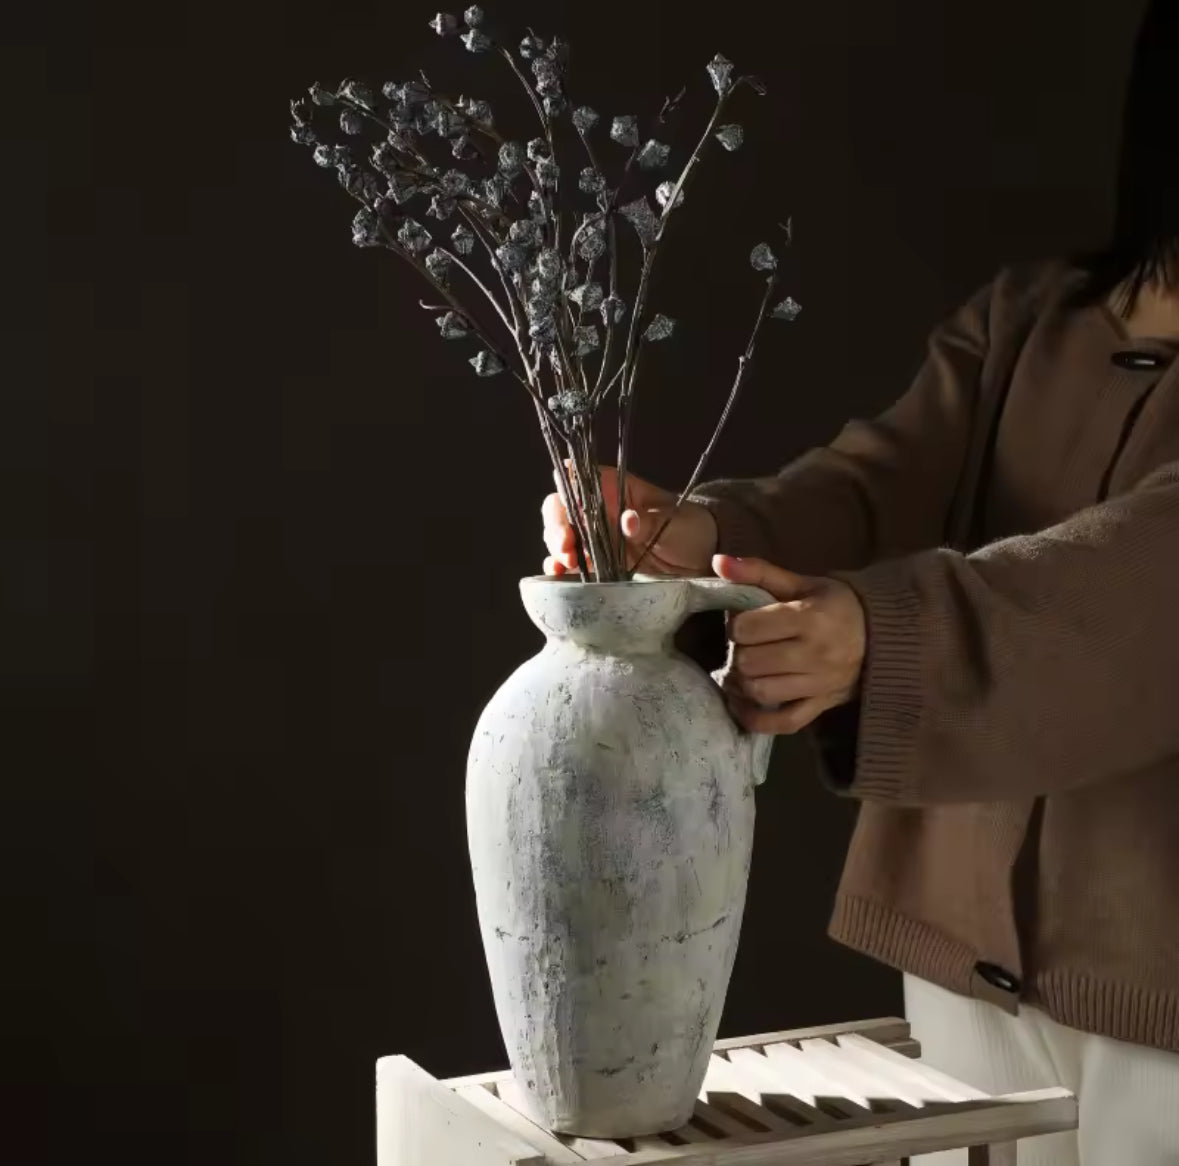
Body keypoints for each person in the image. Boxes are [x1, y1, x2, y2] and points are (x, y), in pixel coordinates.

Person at [540, 3, 1178, 1163]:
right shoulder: (1031, 320)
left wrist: (883, 637)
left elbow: (1140, 575)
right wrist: (705, 536)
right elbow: (878, 479)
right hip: (962, 949)